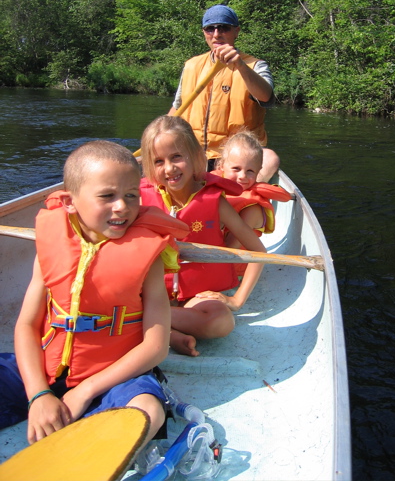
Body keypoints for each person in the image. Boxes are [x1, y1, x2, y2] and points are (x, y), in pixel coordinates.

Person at [1, 140, 189, 447]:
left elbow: (156, 347)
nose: (122, 206)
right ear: (70, 202)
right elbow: (25, 326)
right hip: (43, 372)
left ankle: (89, 442)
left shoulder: (148, 257)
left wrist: (84, 391)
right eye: (107, 196)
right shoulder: (50, 247)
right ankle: (49, 411)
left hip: (112, 379)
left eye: (131, 195)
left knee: (148, 412)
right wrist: (38, 394)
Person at [140, 116, 267, 358]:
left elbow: (259, 252)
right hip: (155, 293)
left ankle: (146, 323)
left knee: (221, 322)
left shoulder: (214, 202)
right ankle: (167, 332)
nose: (169, 168)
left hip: (197, 298)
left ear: (195, 156)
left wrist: (237, 300)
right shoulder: (139, 200)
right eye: (159, 161)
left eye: (176, 156)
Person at [168, 4, 280, 182]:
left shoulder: (255, 66)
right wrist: (157, 140)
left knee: (270, 158)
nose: (216, 33)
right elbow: (178, 108)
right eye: (210, 28)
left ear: (236, 31)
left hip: (236, 160)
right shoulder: (191, 65)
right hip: (195, 154)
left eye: (224, 28)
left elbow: (266, 96)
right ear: (204, 32)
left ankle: (239, 199)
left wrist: (240, 67)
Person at [213, 131, 292, 275]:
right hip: (209, 257)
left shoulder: (252, 209)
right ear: (221, 165)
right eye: (236, 168)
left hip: (231, 269)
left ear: (258, 172)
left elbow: (230, 248)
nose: (242, 176)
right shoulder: (211, 189)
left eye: (250, 171)